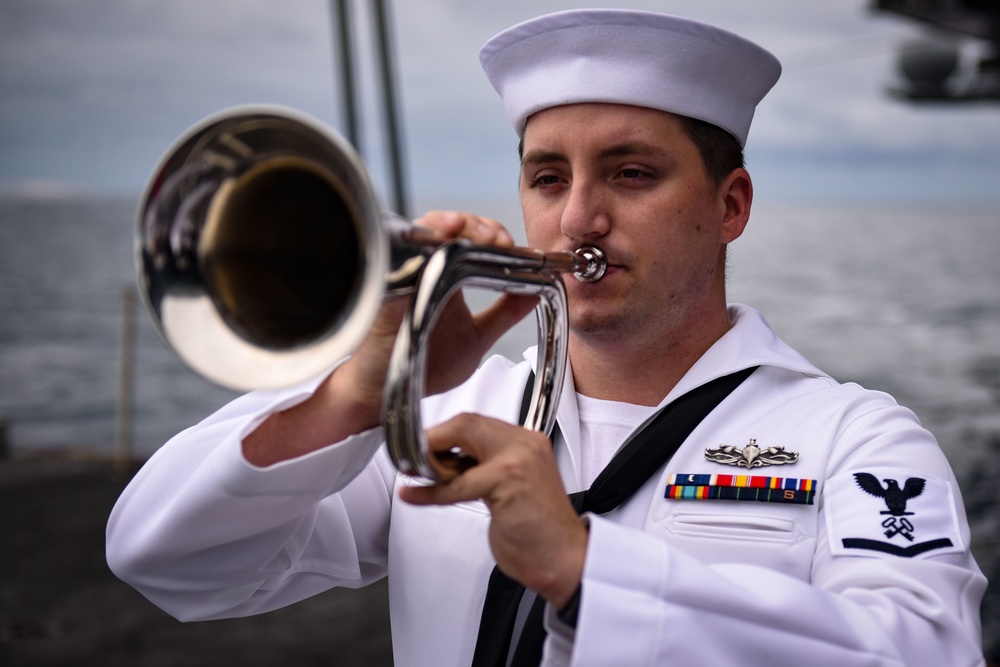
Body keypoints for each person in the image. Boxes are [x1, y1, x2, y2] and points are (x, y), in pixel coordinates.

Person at [107, 8, 987, 666]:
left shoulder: (855, 439)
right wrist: (364, 389)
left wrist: (585, 567)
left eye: (631, 172)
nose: (577, 218)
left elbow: (924, 649)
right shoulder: (451, 416)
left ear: (730, 207)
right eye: (547, 176)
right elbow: (166, 558)